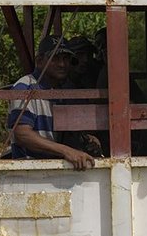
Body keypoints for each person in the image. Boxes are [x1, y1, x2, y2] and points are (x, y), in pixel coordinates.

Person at [7, 35, 96, 170]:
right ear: (39, 61)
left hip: (58, 168)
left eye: (65, 58)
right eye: (55, 58)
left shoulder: (65, 89)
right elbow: (22, 135)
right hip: (30, 170)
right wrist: (66, 151)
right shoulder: (25, 87)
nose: (62, 64)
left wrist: (86, 139)